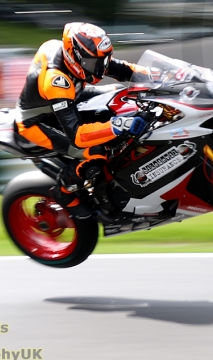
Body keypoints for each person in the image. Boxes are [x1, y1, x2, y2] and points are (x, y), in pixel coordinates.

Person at [14, 22, 150, 217]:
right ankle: (64, 191)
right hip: (38, 121)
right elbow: (77, 135)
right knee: (95, 151)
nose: (100, 69)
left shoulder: (81, 57)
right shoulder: (56, 80)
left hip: (72, 96)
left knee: (123, 96)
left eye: (101, 60)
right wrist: (119, 125)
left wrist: (160, 76)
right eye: (92, 63)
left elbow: (123, 69)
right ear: (72, 55)